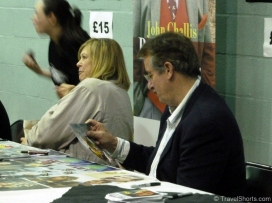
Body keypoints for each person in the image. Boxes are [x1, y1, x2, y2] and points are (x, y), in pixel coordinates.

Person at [86, 32, 246, 197]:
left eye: (150, 75)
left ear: (168, 70)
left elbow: (187, 196)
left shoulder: (205, 121)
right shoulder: (177, 107)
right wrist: (113, 144)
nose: (149, 85)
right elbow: (162, 162)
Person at [21, 38, 133, 165]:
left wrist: (28, 141)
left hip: (83, 173)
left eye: (84, 57)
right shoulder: (121, 92)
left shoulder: (91, 87)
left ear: (100, 60)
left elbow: (46, 134)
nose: (78, 63)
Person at [133, 0, 215, 120]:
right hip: (153, 103)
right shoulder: (142, 2)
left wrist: (208, 98)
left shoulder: (199, 2)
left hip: (190, 103)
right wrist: (137, 98)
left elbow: (207, 52)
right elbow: (135, 48)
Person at [22, 0, 90, 96]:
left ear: (52, 18)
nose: (33, 18)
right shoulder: (55, 42)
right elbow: (64, 75)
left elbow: (96, 83)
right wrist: (39, 70)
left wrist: (74, 91)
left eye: (37, 13)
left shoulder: (74, 43)